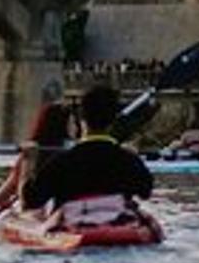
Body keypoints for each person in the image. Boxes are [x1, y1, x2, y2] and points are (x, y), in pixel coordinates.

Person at [20, 86, 153, 211]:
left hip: (72, 224)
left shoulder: (61, 162)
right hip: (117, 221)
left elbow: (31, 201)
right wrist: (134, 157)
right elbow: (145, 192)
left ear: (82, 118)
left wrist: (28, 162)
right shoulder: (128, 160)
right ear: (113, 121)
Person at [0, 101, 72, 210]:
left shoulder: (30, 153)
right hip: (50, 218)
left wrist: (13, 212)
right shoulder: (69, 154)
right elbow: (2, 198)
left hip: (35, 218)